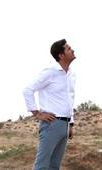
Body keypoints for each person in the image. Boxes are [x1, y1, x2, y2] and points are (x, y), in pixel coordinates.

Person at [23, 39, 77, 170]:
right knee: (42, 165)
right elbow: (27, 90)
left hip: (64, 124)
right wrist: (36, 113)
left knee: (54, 166)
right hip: (51, 123)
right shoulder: (50, 72)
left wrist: (70, 123)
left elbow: (70, 100)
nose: (73, 50)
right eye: (69, 49)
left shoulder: (71, 74)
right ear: (61, 55)